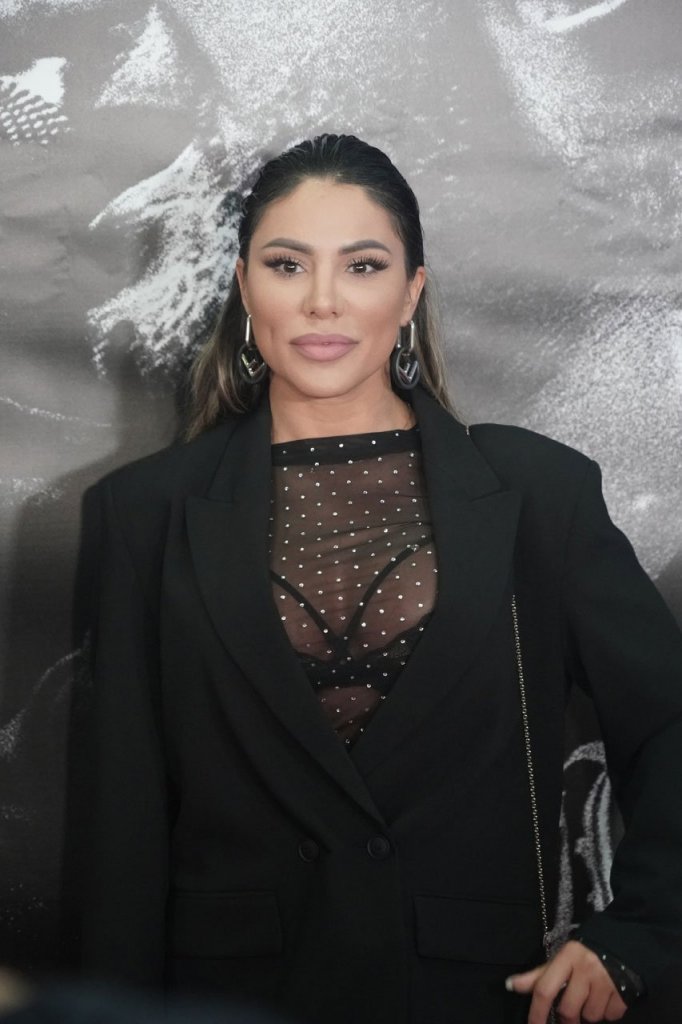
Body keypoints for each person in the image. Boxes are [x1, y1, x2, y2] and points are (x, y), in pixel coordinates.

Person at [80, 134, 682, 1024]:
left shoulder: (536, 491)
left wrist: (639, 937)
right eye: (287, 264)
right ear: (244, 287)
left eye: (362, 266)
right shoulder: (145, 512)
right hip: (231, 998)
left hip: (474, 995)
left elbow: (669, 723)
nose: (321, 299)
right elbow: (120, 823)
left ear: (410, 293)